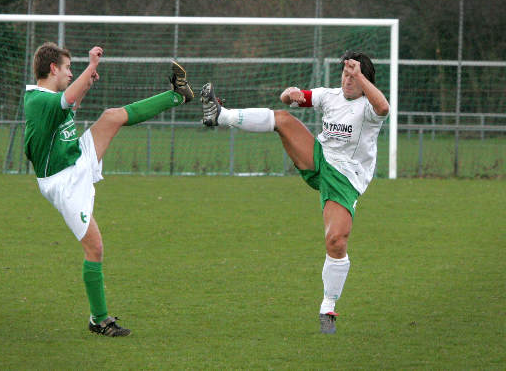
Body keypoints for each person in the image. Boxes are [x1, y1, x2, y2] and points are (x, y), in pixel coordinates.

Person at [200, 51, 389, 334]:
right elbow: (294, 97)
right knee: (284, 119)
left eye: (355, 76)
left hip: (346, 178)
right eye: (346, 74)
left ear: (365, 79)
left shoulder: (369, 107)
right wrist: (291, 94)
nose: (348, 80)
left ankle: (328, 306)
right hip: (319, 159)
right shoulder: (330, 95)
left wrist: (360, 73)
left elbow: (384, 108)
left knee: (336, 241)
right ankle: (220, 115)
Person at [24, 42, 194, 337]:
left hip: (74, 156)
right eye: (68, 68)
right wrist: (91, 66)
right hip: (62, 181)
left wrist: (86, 83)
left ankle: (177, 95)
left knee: (112, 116)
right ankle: (99, 319)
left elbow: (71, 104)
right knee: (95, 247)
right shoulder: (38, 101)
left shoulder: (51, 97)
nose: (70, 72)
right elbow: (66, 101)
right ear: (53, 69)